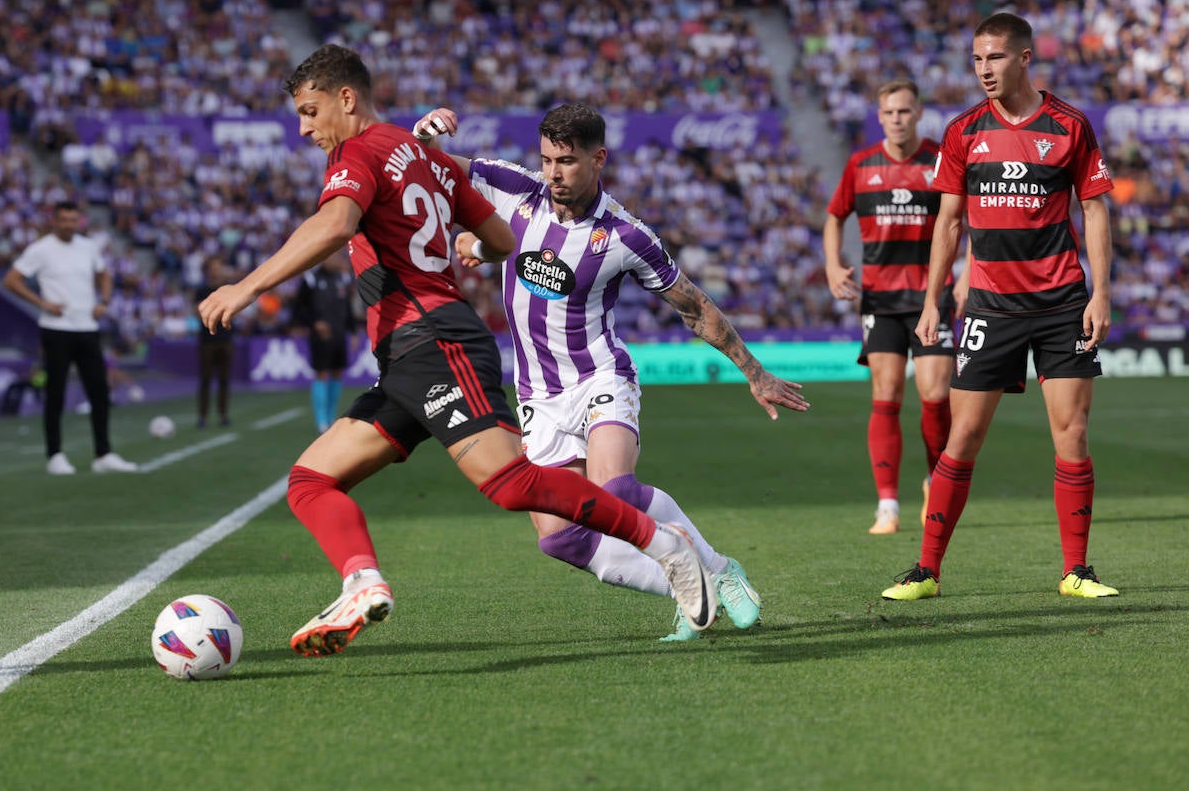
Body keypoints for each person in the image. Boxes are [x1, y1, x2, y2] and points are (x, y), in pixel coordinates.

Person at [197, 44, 719, 658]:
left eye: (310, 111)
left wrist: (246, 285)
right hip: (405, 356)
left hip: (435, 340)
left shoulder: (356, 153)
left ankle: (662, 544)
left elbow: (336, 225)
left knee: (510, 482)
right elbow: (500, 239)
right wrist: (466, 248)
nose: (305, 128)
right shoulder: (425, 157)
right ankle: (362, 581)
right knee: (310, 481)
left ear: (347, 98)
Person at [412, 103, 811, 641]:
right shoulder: (514, 189)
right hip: (538, 395)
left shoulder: (625, 235)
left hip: (600, 376)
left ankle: (720, 568)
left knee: (615, 488)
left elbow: (692, 305)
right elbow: (435, 168)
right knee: (559, 538)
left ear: (599, 159)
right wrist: (423, 137)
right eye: (548, 159)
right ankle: (689, 586)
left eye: (568, 162)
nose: (554, 173)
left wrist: (754, 372)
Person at [883, 12, 1118, 601]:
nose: (984, 69)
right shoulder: (964, 131)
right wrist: (933, 299)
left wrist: (1101, 292)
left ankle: (1076, 571)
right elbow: (949, 222)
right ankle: (927, 571)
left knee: (1073, 434)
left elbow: (1094, 209)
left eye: (994, 58)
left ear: (1024, 58)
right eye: (977, 59)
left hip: (1062, 301)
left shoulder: (1069, 125)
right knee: (962, 438)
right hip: (989, 306)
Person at [823, 78, 965, 536]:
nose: (897, 119)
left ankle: (934, 484)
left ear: (918, 112)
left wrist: (970, 273)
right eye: (889, 112)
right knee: (885, 396)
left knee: (936, 396)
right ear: (879, 116)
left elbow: (969, 218)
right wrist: (832, 264)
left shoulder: (940, 162)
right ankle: (887, 505)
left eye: (904, 111)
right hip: (881, 297)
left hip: (932, 296)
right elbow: (834, 216)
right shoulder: (862, 165)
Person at [4, 201, 137, 476]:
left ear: (79, 222)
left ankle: (103, 453)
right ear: (54, 221)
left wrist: (105, 300)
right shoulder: (41, 249)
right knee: (55, 392)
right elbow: (11, 280)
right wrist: (41, 303)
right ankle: (55, 455)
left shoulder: (87, 247)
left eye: (73, 220)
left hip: (86, 326)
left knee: (99, 391)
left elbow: (104, 275)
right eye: (63, 219)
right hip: (56, 327)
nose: (68, 224)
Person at [291, 248, 357, 433]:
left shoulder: (343, 279)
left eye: (338, 256)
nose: (336, 259)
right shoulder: (311, 280)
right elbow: (298, 309)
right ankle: (321, 420)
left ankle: (331, 416)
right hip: (320, 336)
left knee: (337, 373)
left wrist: (352, 332)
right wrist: (315, 323)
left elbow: (347, 308)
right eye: (332, 255)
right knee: (321, 373)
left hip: (339, 334)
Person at [194, 256, 235, 429]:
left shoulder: (228, 289)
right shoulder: (202, 290)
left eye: (219, 267)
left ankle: (223, 414)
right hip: (208, 340)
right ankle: (203, 416)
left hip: (225, 339)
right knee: (206, 379)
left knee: (224, 379)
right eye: (213, 267)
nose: (216, 270)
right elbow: (200, 312)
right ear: (208, 270)